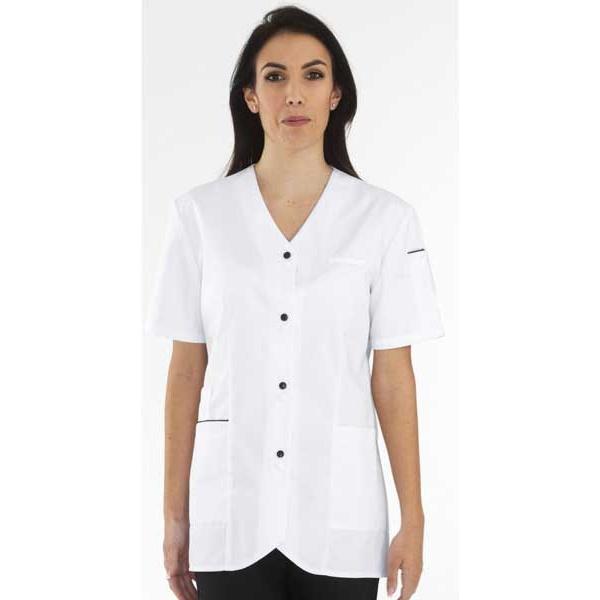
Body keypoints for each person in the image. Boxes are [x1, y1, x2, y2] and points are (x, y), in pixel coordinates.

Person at [145, 5, 445, 600]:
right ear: (251, 97)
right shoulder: (200, 217)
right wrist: (174, 516)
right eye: (274, 76)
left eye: (313, 74)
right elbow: (186, 372)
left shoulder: (384, 221)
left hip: (341, 514)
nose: (294, 94)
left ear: (336, 94)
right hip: (231, 513)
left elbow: (393, 376)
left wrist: (413, 517)